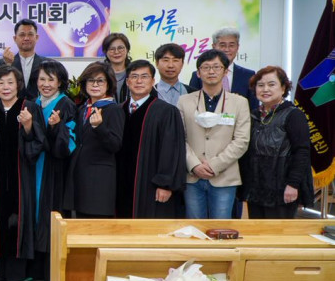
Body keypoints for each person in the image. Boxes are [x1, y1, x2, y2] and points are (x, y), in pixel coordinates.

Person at [0, 65, 45, 281]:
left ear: (18, 85)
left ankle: (16, 276)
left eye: (10, 82)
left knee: (18, 222)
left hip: (21, 176)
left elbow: (38, 144)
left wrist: (27, 126)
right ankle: (2, 273)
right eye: (0, 83)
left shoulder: (30, 108)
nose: (5, 87)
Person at [178, 49, 250, 219]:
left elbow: (241, 140)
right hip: (192, 176)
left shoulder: (239, 102)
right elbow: (180, 139)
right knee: (194, 227)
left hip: (224, 176)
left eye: (216, 67)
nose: (211, 71)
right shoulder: (184, 101)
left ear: (225, 72)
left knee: (221, 228)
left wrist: (214, 165)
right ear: (198, 73)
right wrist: (195, 165)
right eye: (206, 67)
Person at [115, 60, 187, 218]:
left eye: (144, 76)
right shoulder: (118, 110)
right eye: (134, 76)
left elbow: (171, 151)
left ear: (153, 81)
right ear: (127, 82)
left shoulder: (166, 111)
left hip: (151, 186)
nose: (139, 81)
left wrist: (165, 184)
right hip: (120, 186)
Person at [240, 66, 314, 218]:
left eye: (271, 84)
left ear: (283, 88)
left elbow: (302, 152)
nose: (265, 89)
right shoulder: (253, 115)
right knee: (257, 231)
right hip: (256, 187)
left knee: (277, 232)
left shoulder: (294, 115)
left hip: (282, 188)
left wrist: (293, 184)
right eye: (260, 85)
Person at [31, 60, 76, 281]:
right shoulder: (33, 103)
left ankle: (52, 273)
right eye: (42, 79)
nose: (46, 84)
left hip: (54, 170)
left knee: (52, 215)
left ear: (60, 82)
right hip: (34, 166)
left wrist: (56, 127)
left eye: (51, 79)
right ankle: (34, 269)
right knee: (34, 214)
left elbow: (68, 144)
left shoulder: (65, 104)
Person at [64, 62, 125, 218]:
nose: (95, 85)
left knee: (97, 226)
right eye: (91, 80)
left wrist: (99, 127)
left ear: (108, 84)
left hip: (99, 181)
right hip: (79, 177)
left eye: (100, 81)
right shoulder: (83, 109)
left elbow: (115, 145)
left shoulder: (114, 109)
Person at [188, 27, 258, 111]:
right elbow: (192, 104)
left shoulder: (248, 75)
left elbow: (254, 108)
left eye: (231, 45)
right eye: (222, 45)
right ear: (214, 46)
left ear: (237, 47)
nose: (227, 49)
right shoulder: (199, 75)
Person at [0, 19, 44, 101]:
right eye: (22, 35)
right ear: (15, 38)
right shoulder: (4, 62)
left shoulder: (46, 64)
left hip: (39, 107)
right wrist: (8, 65)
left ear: (36, 37)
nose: (26, 38)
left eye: (30, 34)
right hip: (13, 107)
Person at [101, 32, 131, 103]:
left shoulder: (135, 72)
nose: (116, 52)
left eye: (120, 48)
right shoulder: (100, 73)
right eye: (111, 49)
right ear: (105, 52)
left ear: (127, 50)